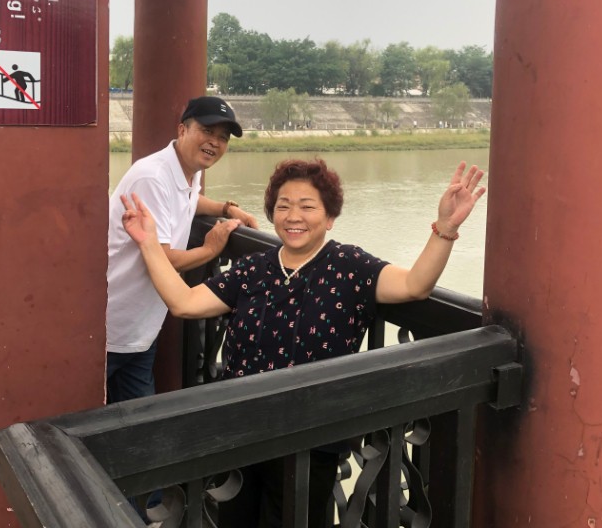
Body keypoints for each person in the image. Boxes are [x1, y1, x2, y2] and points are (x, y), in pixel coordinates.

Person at [119, 158, 485, 528]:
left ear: (330, 218)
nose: (294, 216)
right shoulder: (253, 269)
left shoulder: (349, 266)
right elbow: (184, 302)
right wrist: (149, 242)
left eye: (308, 206)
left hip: (310, 437)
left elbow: (414, 285)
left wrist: (445, 228)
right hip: (239, 430)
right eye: (283, 206)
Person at [106, 95, 258, 406]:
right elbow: (164, 258)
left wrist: (226, 208)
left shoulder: (187, 169)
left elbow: (187, 200)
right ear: (182, 129)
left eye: (223, 137)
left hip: (141, 329)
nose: (214, 142)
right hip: (112, 326)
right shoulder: (153, 176)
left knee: (138, 420)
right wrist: (211, 248)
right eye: (207, 131)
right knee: (85, 416)